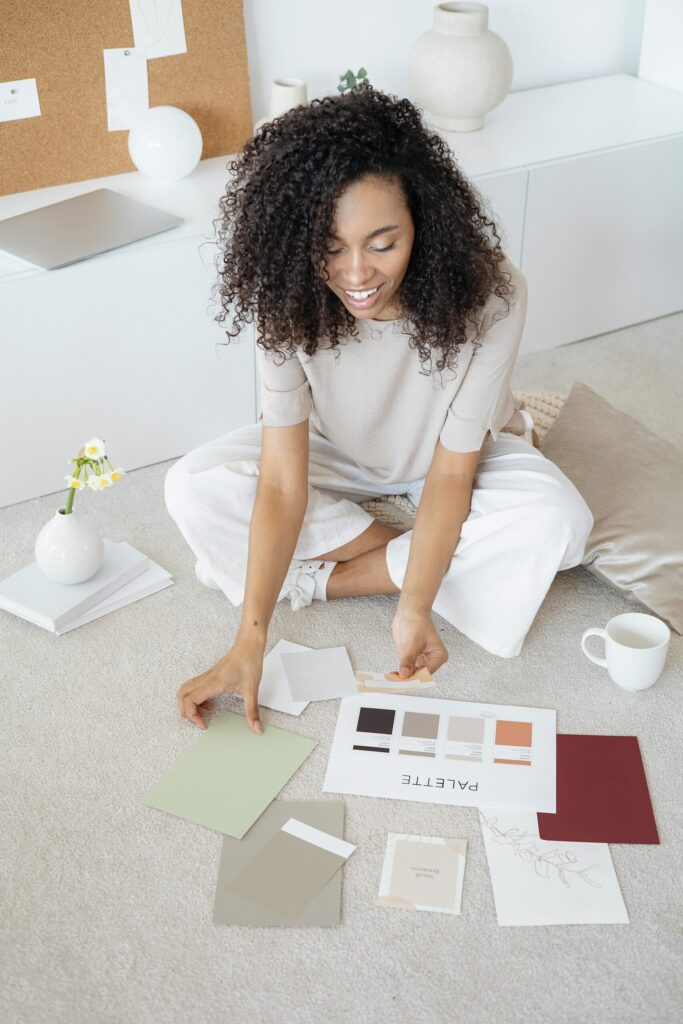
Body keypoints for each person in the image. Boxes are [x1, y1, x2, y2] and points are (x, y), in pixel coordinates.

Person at [165, 87, 593, 733]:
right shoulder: (286, 295)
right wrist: (249, 638)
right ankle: (426, 554)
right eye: (331, 247)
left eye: (382, 243)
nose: (356, 273)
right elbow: (282, 482)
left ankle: (327, 579)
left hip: (457, 454)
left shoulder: (492, 290)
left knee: (561, 522)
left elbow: (453, 471)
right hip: (333, 449)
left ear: (423, 221)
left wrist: (413, 606)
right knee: (192, 484)